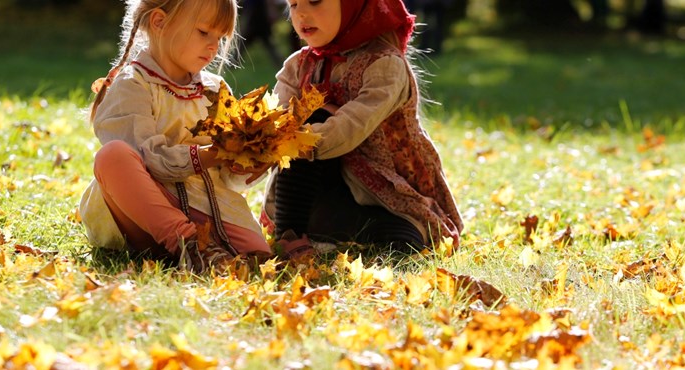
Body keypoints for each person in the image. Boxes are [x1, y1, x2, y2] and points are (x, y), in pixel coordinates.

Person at [79, 0, 273, 274]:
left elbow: (230, 179)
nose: (213, 46)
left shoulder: (215, 88)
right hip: (146, 213)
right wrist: (214, 153)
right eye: (204, 32)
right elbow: (151, 159)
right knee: (113, 157)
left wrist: (245, 161)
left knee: (258, 255)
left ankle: (207, 249)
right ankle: (189, 244)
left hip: (206, 205)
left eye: (220, 38)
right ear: (159, 22)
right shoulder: (133, 84)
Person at [259, 0, 464, 259]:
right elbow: (277, 118)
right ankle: (290, 235)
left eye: (314, 1)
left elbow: (351, 126)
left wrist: (312, 126)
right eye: (294, 4)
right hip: (314, 186)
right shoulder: (299, 65)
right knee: (301, 126)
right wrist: (263, 141)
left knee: (404, 241)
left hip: (378, 193)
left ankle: (332, 234)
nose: (301, 13)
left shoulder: (385, 65)